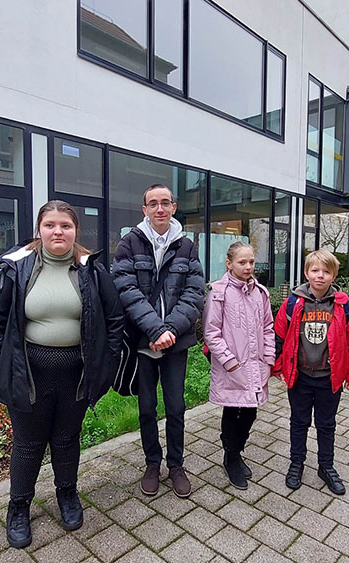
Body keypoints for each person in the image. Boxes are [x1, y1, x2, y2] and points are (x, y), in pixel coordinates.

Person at [0, 200, 124, 548]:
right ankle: (18, 507)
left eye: (65, 225)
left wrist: (107, 365)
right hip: (28, 374)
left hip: (76, 375)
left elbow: (115, 320)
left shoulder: (92, 270)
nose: (58, 231)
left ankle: (67, 494)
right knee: (28, 444)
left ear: (75, 231)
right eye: (50, 225)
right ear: (39, 230)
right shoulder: (17, 269)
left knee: (66, 439)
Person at [112, 183, 204, 498]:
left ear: (174, 207)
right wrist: (154, 330)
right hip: (143, 342)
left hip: (176, 341)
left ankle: (176, 465)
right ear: (145, 209)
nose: (160, 208)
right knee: (147, 407)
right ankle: (152, 463)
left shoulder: (187, 247)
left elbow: (194, 293)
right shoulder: (128, 244)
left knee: (176, 406)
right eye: (153, 203)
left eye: (165, 203)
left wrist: (170, 330)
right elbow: (126, 290)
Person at [273, 249, 349, 496]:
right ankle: (296, 463)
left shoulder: (343, 306)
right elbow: (279, 335)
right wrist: (277, 365)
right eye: (315, 270)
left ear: (333, 276)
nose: (320, 276)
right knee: (299, 422)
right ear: (306, 273)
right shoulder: (293, 303)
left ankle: (326, 466)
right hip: (299, 377)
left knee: (326, 424)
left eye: (326, 271)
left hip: (329, 378)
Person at [202, 241, 275, 490]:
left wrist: (269, 359)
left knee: (251, 412)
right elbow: (211, 332)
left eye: (251, 262)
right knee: (232, 411)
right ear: (229, 263)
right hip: (231, 367)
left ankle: (235, 450)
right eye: (242, 262)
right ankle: (231, 458)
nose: (248, 267)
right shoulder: (218, 292)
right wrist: (230, 363)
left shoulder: (260, 293)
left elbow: (268, 327)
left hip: (256, 364)